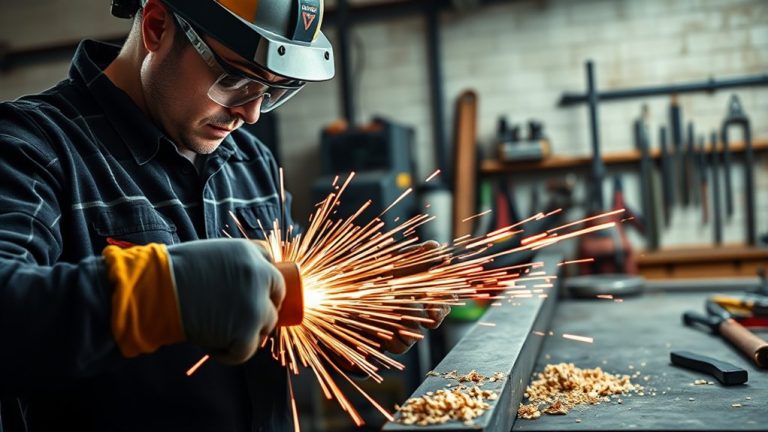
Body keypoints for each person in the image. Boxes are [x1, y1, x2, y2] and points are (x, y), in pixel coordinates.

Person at [0, 0, 451, 430]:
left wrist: (352, 323)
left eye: (275, 90)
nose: (251, 113)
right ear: (157, 27)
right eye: (235, 79)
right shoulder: (31, 149)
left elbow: (279, 321)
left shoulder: (248, 161)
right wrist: (161, 295)